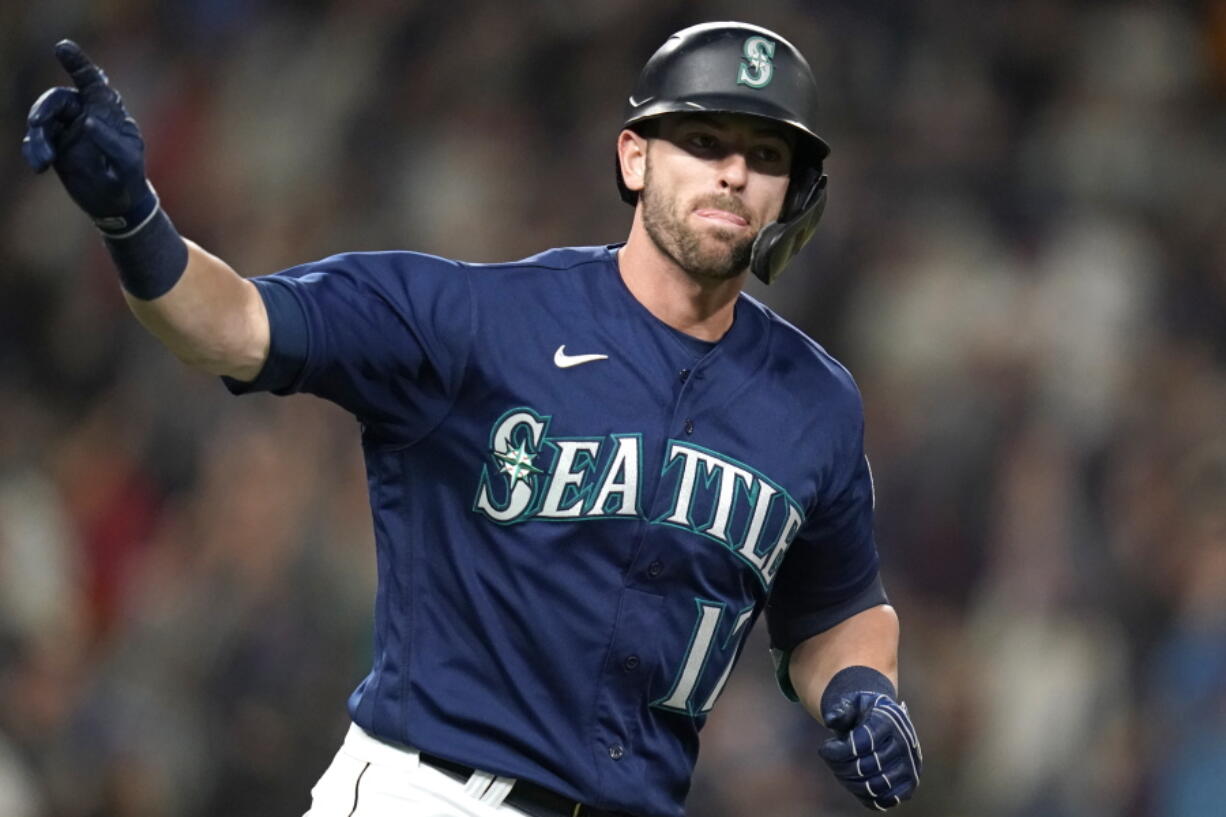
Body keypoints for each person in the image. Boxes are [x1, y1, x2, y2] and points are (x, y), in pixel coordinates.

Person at [23, 21, 921, 817]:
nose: (734, 170)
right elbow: (231, 326)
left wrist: (862, 688)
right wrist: (131, 218)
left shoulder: (815, 403)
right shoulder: (476, 320)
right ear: (635, 156)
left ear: (795, 195)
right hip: (434, 791)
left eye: (768, 156)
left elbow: (837, 605)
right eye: (704, 138)